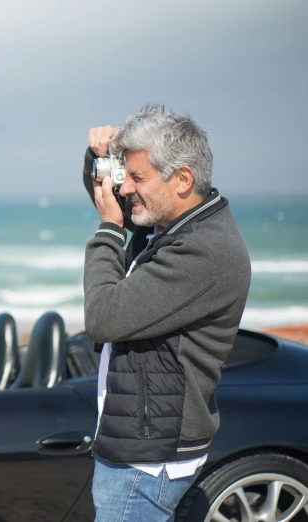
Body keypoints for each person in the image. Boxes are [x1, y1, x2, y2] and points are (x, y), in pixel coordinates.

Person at [82, 105, 251, 521]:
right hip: (144, 444)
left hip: (145, 460)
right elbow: (122, 203)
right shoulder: (175, 224)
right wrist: (101, 161)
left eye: (137, 177)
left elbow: (102, 317)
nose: (125, 189)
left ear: (182, 179)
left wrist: (107, 231)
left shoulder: (200, 251)